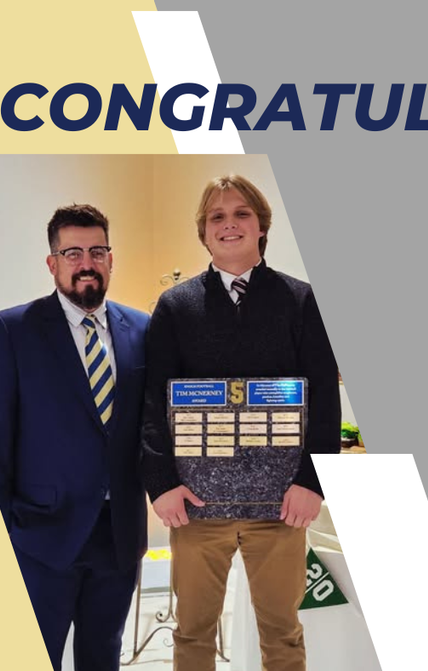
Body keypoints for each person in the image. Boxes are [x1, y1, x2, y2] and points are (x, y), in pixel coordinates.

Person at [141, 175, 341, 671]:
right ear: (204, 232)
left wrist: (312, 481)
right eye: (217, 216)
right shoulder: (175, 306)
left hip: (281, 506)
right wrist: (161, 484)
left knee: (283, 636)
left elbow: (323, 396)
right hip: (196, 506)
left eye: (240, 213)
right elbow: (152, 402)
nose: (229, 224)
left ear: (261, 226)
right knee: (192, 634)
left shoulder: (302, 300)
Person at [0, 205, 149, 671]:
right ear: (52, 263)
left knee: (103, 658)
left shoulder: (142, 330)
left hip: (118, 537)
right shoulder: (12, 330)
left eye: (97, 251)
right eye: (72, 253)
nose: (86, 263)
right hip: (40, 537)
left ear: (111, 259)